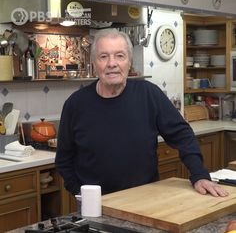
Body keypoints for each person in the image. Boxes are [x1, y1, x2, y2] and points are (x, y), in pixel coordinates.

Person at [55, 28, 228, 197]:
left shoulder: (149, 94)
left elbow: (182, 135)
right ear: (94, 63)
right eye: (103, 57)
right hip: (95, 204)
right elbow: (64, 159)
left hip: (144, 199)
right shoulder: (75, 104)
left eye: (119, 56)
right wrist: (79, 192)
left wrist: (199, 175)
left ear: (129, 62)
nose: (112, 63)